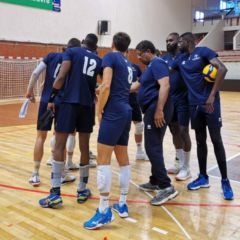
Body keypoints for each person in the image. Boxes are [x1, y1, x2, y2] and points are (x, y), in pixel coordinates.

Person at [39, 33, 102, 208]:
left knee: (59, 145)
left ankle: (55, 194)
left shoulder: (72, 52)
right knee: (84, 147)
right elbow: (102, 84)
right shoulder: (98, 59)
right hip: (88, 106)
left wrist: (51, 97)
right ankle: (82, 190)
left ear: (82, 43)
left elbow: (60, 76)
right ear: (95, 46)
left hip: (68, 104)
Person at [173, 32, 234, 200]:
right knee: (200, 141)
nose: (179, 44)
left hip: (210, 103)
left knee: (216, 140)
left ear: (190, 41)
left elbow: (222, 68)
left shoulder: (204, 52)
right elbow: (169, 68)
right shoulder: (181, 59)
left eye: (181, 41)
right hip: (194, 105)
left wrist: (212, 95)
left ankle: (225, 181)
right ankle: (203, 177)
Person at [84, 32, 132, 230]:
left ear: (113, 43)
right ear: (127, 47)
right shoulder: (128, 63)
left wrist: (99, 110)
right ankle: (122, 203)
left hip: (113, 111)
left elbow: (106, 86)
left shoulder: (111, 57)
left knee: (103, 159)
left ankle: (104, 211)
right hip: (126, 110)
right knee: (122, 156)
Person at [26, 38, 81, 186]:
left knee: (40, 137)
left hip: (45, 101)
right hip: (62, 103)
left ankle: (35, 174)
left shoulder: (51, 56)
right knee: (61, 139)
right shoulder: (74, 61)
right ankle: (62, 173)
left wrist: (29, 91)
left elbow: (35, 73)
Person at [132, 40, 178, 205]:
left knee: (151, 147)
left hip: (157, 109)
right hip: (152, 108)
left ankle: (166, 187)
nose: (138, 58)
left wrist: (159, 110)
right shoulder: (150, 67)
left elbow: (165, 86)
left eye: (139, 54)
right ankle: (155, 180)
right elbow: (137, 85)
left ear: (148, 51)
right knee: (155, 145)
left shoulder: (157, 63)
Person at [162, 32, 192, 181]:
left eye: (171, 40)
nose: (168, 43)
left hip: (183, 100)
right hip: (170, 100)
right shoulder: (164, 58)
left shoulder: (185, 56)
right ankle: (179, 162)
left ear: (178, 41)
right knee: (174, 131)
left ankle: (187, 167)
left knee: (183, 131)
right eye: (166, 41)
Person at [127, 54, 147, 160]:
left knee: (139, 126)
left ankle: (139, 151)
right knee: (122, 127)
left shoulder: (135, 66)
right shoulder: (115, 65)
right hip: (120, 100)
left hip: (133, 100)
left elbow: (141, 81)